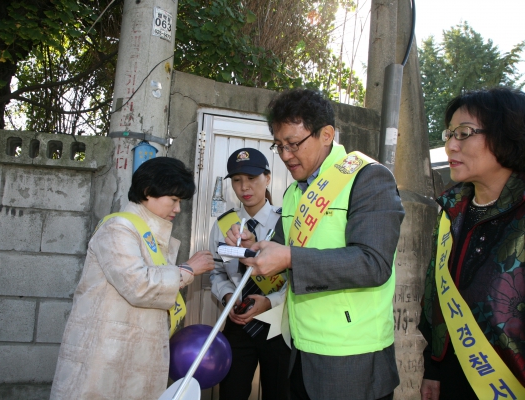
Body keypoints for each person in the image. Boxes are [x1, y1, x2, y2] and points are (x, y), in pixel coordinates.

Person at [225, 89, 405, 400]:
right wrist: (253, 248)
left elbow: (372, 263)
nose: (285, 155)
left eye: (293, 144)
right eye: (279, 146)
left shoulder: (368, 178)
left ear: (326, 135)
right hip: (301, 347)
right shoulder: (295, 192)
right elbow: (280, 252)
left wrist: (291, 257)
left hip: (352, 354)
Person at [49, 157, 215, 400]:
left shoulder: (144, 231)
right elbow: (138, 284)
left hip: (128, 355)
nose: (178, 209)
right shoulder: (118, 227)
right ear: (148, 192)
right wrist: (187, 270)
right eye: (174, 200)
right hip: (106, 356)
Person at [418, 87, 525, 400]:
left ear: (507, 135)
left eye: (464, 133)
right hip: (453, 378)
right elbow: (434, 294)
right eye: (449, 133)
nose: (450, 145)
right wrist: (433, 368)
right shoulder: (452, 211)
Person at [209, 147, 290, 399]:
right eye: (236, 180)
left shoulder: (285, 223)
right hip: (238, 325)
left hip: (278, 325)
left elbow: (300, 277)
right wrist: (228, 298)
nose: (244, 187)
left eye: (252, 179)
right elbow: (217, 272)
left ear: (267, 178)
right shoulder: (224, 225)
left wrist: (269, 301)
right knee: (231, 392)